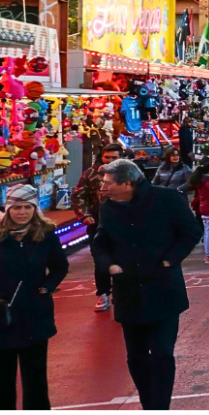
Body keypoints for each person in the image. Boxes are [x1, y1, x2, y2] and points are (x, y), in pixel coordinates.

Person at [92, 159, 201, 411]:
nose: (103, 187)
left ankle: (159, 407)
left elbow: (191, 231)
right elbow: (100, 243)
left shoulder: (168, 199)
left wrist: (169, 260)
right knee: (137, 357)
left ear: (127, 183)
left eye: (108, 183)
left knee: (162, 353)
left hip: (163, 289)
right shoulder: (107, 208)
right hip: (128, 290)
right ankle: (148, 403)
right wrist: (108, 265)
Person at [0, 185, 68, 410]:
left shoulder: (46, 234)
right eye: (17, 207)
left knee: (36, 379)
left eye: (27, 206)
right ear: (8, 208)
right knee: (3, 382)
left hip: (35, 315)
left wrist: (47, 287)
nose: (22, 212)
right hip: (3, 317)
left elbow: (59, 266)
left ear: (35, 208)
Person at [71, 143, 123, 312]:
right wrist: (84, 215)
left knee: (124, 258)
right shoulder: (90, 174)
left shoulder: (129, 173)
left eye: (114, 157)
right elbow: (79, 196)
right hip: (98, 225)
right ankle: (103, 293)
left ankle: (122, 294)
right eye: (107, 157)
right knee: (101, 260)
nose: (110, 160)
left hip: (124, 224)